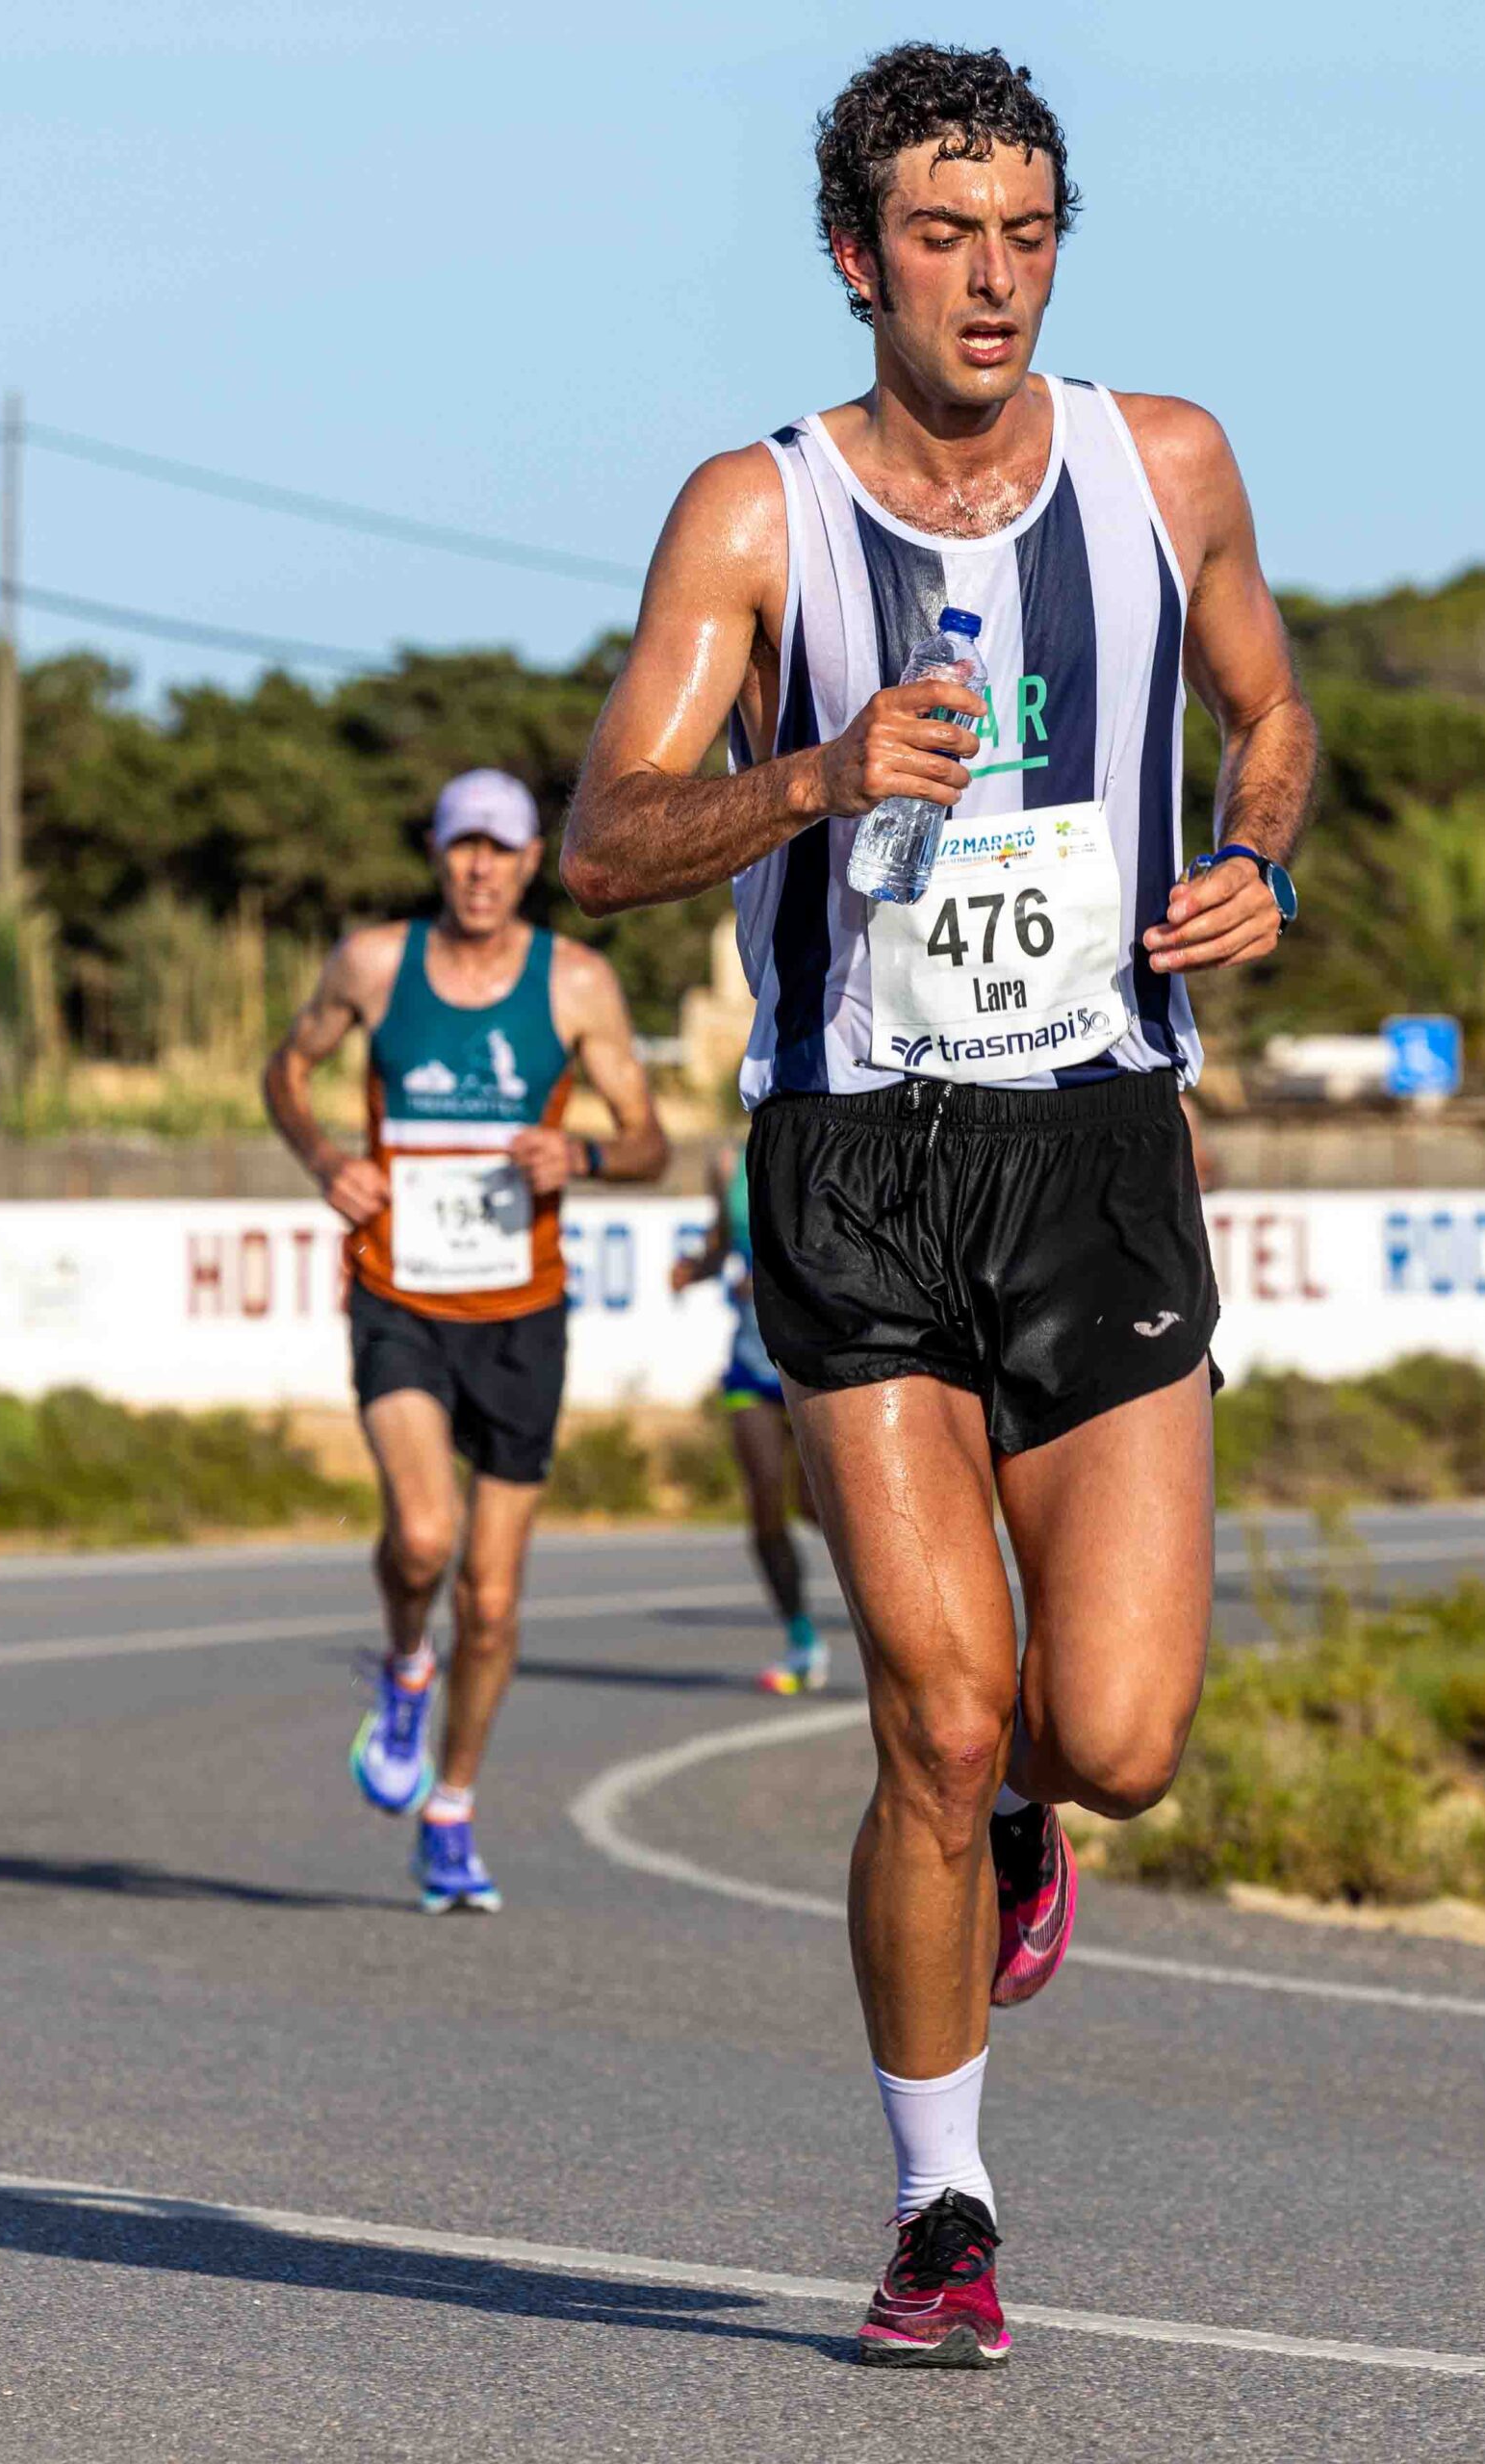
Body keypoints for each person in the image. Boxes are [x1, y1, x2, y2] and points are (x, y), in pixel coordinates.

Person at [563, 44, 1315, 2365]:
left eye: (1024, 235)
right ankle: (939, 2211)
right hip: (856, 1157)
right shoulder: (755, 513)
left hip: (1097, 1146)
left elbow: (1271, 711)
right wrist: (812, 771)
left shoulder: (1162, 461)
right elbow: (602, 836)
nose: (989, 280)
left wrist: (1255, 858)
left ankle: (1020, 1828)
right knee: (939, 1707)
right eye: (939, 235)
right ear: (853, 257)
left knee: (1116, 1736)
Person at [266, 767, 667, 1912]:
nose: (480, 867)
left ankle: (450, 1808)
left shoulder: (575, 982)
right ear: (438, 856)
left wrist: (580, 1154)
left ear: (534, 861)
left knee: (490, 1598)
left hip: (520, 1314)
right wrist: (325, 1158)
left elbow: (648, 1141)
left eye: (501, 848)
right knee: (423, 1536)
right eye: (462, 846)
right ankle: (405, 1667)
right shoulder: (372, 964)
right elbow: (285, 1068)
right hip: (398, 1293)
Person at [670, 1143, 829, 1694]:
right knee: (765, 1507)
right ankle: (802, 1642)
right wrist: (695, 1269)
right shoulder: (724, 1163)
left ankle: (902, 1613)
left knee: (817, 1504)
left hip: (815, 1356)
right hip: (750, 1360)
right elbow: (722, 1245)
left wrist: (777, 1276)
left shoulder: (819, 1139)